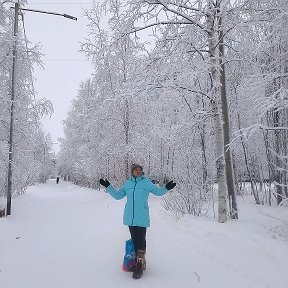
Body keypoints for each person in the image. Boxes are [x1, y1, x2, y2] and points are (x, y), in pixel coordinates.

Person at [100, 164, 176, 279]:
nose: (138, 171)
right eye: (136, 170)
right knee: (135, 240)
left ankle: (139, 266)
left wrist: (167, 187)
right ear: (132, 172)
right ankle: (136, 262)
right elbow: (117, 196)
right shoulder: (128, 184)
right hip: (130, 216)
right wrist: (108, 186)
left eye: (140, 170)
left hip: (141, 216)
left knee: (141, 240)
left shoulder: (146, 183)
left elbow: (158, 192)